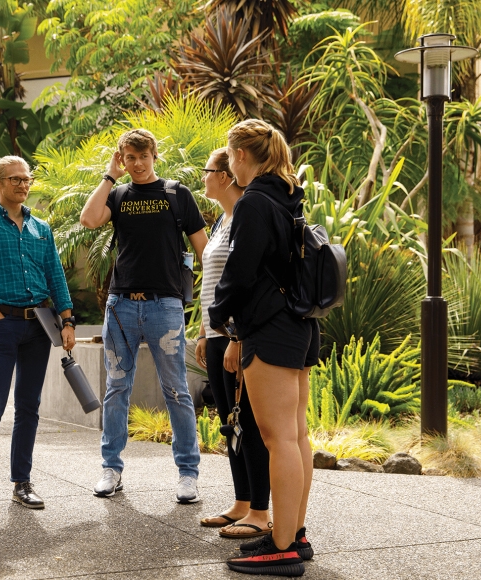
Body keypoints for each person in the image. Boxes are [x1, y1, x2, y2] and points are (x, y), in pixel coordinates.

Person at [209, 119, 319, 577]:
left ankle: (283, 547)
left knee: (277, 439)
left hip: (269, 329)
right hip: (298, 324)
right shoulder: (287, 195)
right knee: (295, 435)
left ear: (239, 156)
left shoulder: (255, 201)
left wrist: (218, 315)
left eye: (231, 155)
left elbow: (241, 269)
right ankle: (292, 535)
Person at [80, 128, 207, 503]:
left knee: (177, 391)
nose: (136, 164)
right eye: (129, 158)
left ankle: (188, 474)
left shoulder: (176, 194)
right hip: (121, 305)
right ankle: (111, 469)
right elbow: (89, 220)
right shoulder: (118, 195)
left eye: (142, 157)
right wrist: (109, 176)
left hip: (164, 305)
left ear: (154, 155)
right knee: (117, 388)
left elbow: (204, 252)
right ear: (121, 158)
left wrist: (212, 310)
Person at [0, 155, 75, 518]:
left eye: (26, 179)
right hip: (2, 325)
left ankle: (22, 483)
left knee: (29, 406)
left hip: (39, 325)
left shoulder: (41, 227)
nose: (23, 185)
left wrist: (67, 319)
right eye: (15, 179)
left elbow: (55, 274)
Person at [194, 147, 272, 539]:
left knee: (249, 423)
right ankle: (242, 502)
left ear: (225, 175)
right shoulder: (223, 220)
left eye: (207, 171)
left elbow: (246, 281)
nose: (202, 178)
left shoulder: (245, 214)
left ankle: (261, 510)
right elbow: (216, 285)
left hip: (234, 337)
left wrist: (235, 337)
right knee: (230, 423)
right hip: (215, 336)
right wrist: (205, 332)